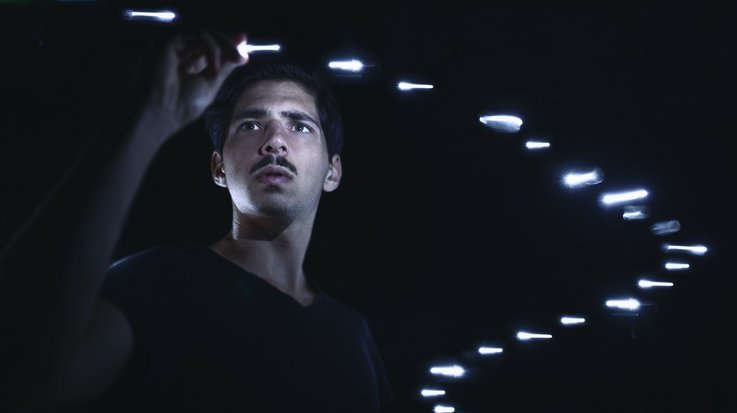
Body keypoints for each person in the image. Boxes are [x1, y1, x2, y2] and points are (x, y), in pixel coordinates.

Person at [0, 30, 393, 412]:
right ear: (218, 168)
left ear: (332, 171)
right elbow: (35, 380)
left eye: (300, 125)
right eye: (251, 125)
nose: (275, 140)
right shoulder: (158, 282)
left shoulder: (354, 335)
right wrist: (152, 116)